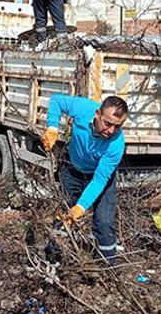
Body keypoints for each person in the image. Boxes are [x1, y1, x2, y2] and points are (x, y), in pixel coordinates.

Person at [40, 94, 128, 266]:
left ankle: (107, 267)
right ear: (97, 114)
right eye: (108, 123)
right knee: (62, 214)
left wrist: (81, 207)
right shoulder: (83, 109)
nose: (111, 131)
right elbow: (57, 101)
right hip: (72, 170)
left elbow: (99, 180)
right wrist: (52, 127)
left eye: (117, 126)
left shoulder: (116, 144)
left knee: (104, 221)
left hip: (99, 178)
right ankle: (54, 259)